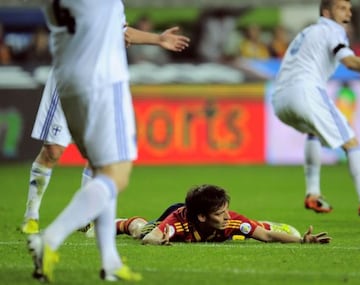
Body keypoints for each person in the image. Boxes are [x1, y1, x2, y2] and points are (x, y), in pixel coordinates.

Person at [26, 1, 188, 282]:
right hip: (103, 79)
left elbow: (121, 31)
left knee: (102, 167)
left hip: (68, 78)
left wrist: (157, 39)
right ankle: (50, 239)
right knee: (117, 173)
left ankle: (109, 261)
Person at [271, 0, 360, 224]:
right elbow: (349, 62)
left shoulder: (306, 32)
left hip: (280, 100)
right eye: (342, 8)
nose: (348, 13)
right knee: (352, 143)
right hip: (307, 92)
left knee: (313, 132)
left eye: (349, 9)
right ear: (326, 12)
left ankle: (313, 193)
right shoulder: (333, 30)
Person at [137, 184, 331, 245]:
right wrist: (159, 240)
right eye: (220, 213)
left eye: (226, 210)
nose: (228, 217)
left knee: (244, 229)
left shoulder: (231, 220)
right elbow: (148, 239)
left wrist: (302, 241)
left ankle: (261, 222)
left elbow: (267, 236)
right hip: (173, 211)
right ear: (203, 217)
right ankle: (122, 223)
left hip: (200, 218)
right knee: (139, 231)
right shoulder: (177, 224)